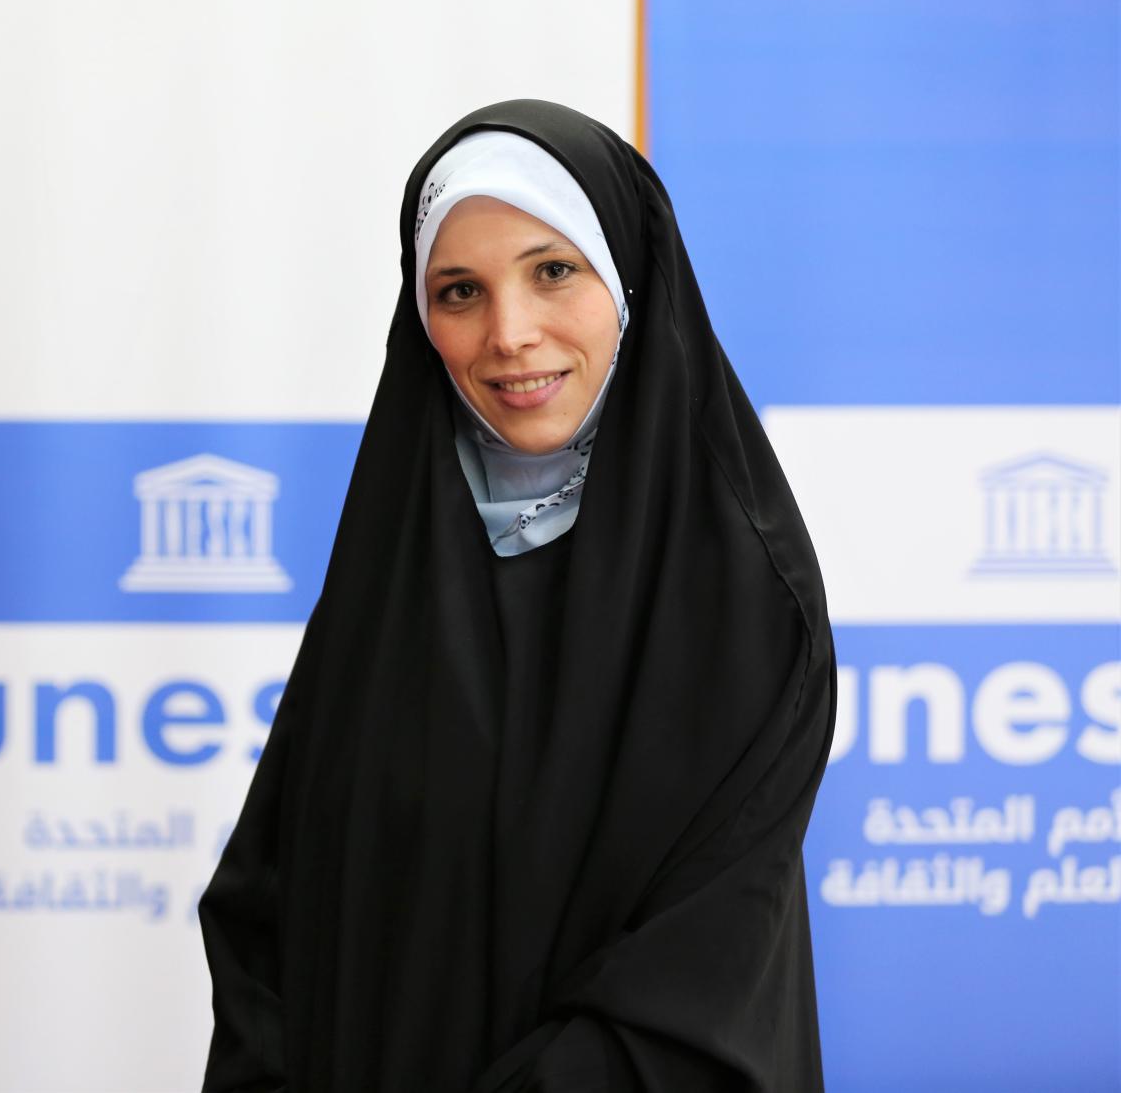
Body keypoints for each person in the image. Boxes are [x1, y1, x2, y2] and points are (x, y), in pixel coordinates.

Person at [198, 98, 837, 1093]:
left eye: (552, 272)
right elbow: (265, 916)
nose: (507, 334)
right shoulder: (393, 566)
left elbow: (689, 994)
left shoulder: (742, 601)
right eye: (458, 291)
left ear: (628, 281)